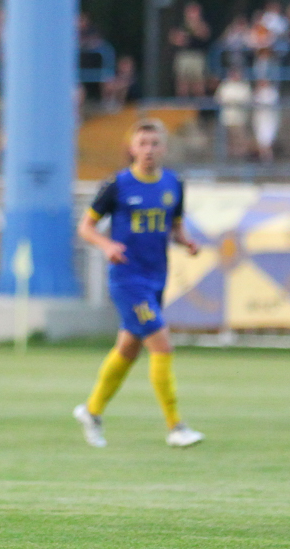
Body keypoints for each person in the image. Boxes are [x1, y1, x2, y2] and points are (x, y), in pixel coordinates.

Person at [73, 119, 203, 449]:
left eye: (155, 143)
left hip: (157, 277)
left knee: (128, 350)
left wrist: (186, 241)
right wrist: (107, 245)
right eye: (142, 143)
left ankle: (92, 411)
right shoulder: (117, 185)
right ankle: (176, 427)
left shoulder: (174, 184)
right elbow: (85, 227)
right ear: (131, 148)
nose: (149, 150)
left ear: (164, 148)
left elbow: (174, 227)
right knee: (162, 345)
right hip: (128, 280)